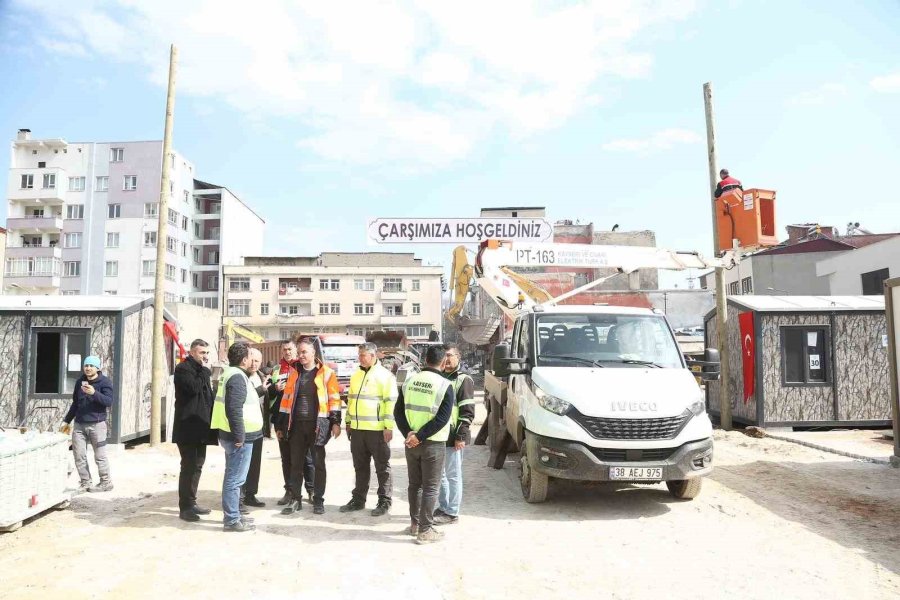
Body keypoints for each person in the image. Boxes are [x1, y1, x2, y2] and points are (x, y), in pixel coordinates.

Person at [394, 345, 455, 544]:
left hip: (411, 443)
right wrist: (420, 436)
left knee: (415, 485)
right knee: (430, 487)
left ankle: (414, 524)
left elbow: (398, 413)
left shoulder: (409, 381)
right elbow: (442, 419)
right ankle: (425, 530)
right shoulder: (445, 385)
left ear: (425, 360)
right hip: (433, 444)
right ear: (443, 362)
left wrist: (409, 435)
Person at [274, 337, 341, 516]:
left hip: (317, 426)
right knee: (296, 464)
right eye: (300, 352)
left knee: (318, 464)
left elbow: (335, 399)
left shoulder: (326, 373)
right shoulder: (294, 372)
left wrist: (335, 423)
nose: (301, 355)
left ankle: (318, 500)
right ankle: (296, 499)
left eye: (305, 352)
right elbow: (286, 400)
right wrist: (281, 425)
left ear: (313, 353)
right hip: (295, 426)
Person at [210, 342, 264, 533]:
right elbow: (233, 409)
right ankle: (232, 519)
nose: (252, 360)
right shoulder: (237, 377)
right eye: (250, 356)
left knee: (234, 477)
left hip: (234, 435)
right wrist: (239, 435)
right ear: (243, 359)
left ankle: (235, 517)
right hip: (239, 438)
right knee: (235, 479)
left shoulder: (234, 374)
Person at [339, 342, 398, 517]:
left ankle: (384, 501)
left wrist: (388, 427)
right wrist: (348, 422)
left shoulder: (385, 376)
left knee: (382, 467)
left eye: (363, 355)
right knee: (360, 467)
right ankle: (358, 499)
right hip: (357, 430)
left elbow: (390, 403)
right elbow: (351, 400)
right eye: (359, 355)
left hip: (377, 431)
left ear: (373, 356)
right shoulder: (356, 375)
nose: (360, 358)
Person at [267, 340, 316, 506]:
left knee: (307, 458)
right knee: (286, 458)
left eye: (290, 349)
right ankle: (289, 490)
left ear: (296, 350)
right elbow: (268, 393)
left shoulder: (301, 367)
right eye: (284, 350)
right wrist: (275, 389)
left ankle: (311, 489)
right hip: (281, 419)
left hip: (299, 420)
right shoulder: (276, 369)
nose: (287, 352)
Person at [173, 339, 215, 522]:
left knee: (198, 465)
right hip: (187, 428)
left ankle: (192, 501)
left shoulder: (201, 371)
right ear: (191, 352)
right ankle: (185, 507)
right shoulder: (183, 369)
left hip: (201, 427)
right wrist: (205, 372)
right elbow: (193, 389)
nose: (204, 356)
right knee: (188, 467)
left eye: (206, 353)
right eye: (201, 353)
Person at [434, 343, 476, 525]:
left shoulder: (463, 379)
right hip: (439, 435)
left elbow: (467, 411)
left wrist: (461, 435)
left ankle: (452, 512)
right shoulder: (438, 377)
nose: (447, 359)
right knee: (441, 475)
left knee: (453, 474)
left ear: (458, 357)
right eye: (445, 355)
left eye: (451, 355)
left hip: (454, 435)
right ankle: (443, 507)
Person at [61, 355, 114, 493]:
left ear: (97, 368)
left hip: (97, 424)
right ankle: (85, 482)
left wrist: (94, 393)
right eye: (86, 366)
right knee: (79, 455)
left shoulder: (105, 382)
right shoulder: (80, 382)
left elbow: (108, 402)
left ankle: (106, 482)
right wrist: (66, 420)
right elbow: (75, 403)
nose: (88, 368)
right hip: (79, 424)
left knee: (100, 455)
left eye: (91, 366)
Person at [242, 348, 268, 509]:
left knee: (255, 462)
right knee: (242, 463)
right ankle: (240, 496)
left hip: (258, 427)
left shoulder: (261, 377)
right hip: (244, 427)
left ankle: (250, 494)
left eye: (257, 361)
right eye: (251, 360)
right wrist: (261, 390)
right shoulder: (240, 377)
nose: (254, 364)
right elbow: (246, 397)